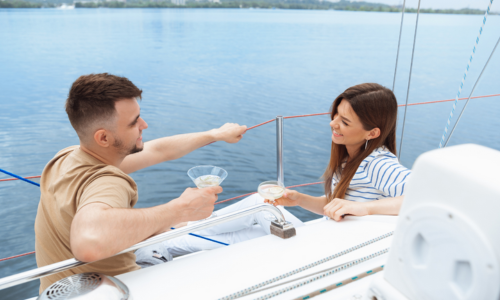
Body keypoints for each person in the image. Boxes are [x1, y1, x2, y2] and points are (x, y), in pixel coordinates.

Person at [139, 82, 410, 262]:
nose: (333, 124)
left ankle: (166, 238)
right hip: (322, 239)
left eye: (345, 121)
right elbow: (334, 205)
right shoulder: (348, 159)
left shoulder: (378, 163)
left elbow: (425, 197)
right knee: (260, 207)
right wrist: (299, 200)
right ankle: (169, 239)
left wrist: (365, 209)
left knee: (247, 229)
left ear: (373, 133)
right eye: (335, 114)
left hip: (326, 253)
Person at [34, 73, 247, 292]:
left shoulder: (65, 158)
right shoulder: (108, 181)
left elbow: (158, 150)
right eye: (134, 122)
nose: (144, 124)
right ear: (104, 138)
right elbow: (88, 242)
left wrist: (215, 134)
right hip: (125, 290)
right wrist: (180, 210)